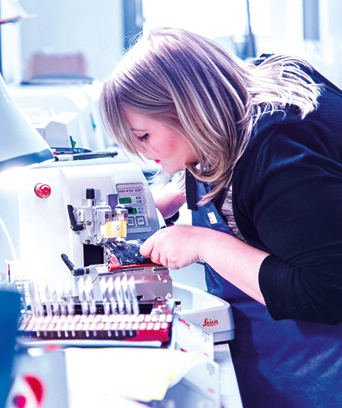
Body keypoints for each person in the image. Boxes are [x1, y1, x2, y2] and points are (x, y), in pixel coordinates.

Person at [100, 27, 342, 408]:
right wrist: (178, 191)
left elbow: (328, 292)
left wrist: (204, 243)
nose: (144, 153)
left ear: (187, 110)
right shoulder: (249, 93)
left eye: (144, 136)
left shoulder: (279, 151)